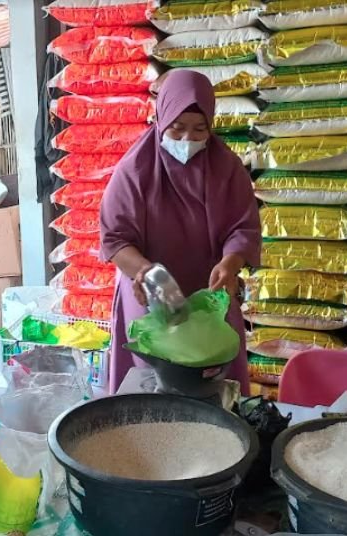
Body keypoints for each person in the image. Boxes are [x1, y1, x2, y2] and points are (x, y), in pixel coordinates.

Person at [100, 70, 261, 396]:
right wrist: (144, 272)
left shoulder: (226, 168)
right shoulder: (135, 170)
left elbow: (242, 225)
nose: (188, 139)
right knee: (153, 386)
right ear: (162, 119)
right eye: (178, 128)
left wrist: (231, 262)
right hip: (150, 292)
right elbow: (115, 237)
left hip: (211, 290)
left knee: (214, 378)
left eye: (200, 129)